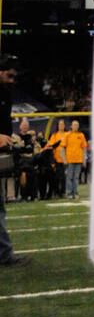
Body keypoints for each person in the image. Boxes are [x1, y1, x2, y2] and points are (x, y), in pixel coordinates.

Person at [0, 55, 28, 266]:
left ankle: (4, 253)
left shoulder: (5, 93)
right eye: (9, 75)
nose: (12, 80)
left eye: (14, 77)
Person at [64, 120, 88, 199]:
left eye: (77, 125)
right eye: (74, 125)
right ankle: (69, 193)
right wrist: (64, 159)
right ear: (71, 126)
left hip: (78, 160)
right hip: (70, 160)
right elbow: (63, 147)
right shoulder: (67, 135)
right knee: (69, 177)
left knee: (76, 177)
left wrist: (84, 159)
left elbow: (84, 148)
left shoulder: (81, 135)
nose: (75, 126)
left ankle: (75, 192)